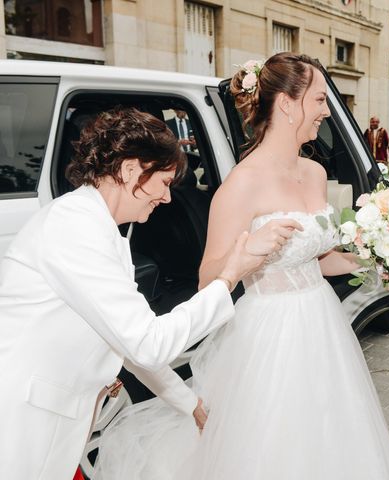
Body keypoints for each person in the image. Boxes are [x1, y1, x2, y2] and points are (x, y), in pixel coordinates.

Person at [94, 53, 389, 480]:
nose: (325, 110)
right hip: (269, 334)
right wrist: (251, 253)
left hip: (322, 324)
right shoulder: (241, 183)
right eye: (319, 99)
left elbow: (321, 259)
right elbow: (208, 278)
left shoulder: (315, 173)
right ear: (287, 104)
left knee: (331, 434)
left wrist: (376, 261)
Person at [0, 107, 290, 480]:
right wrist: (229, 275)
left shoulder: (101, 229)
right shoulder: (74, 228)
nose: (168, 198)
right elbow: (148, 344)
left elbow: (129, 341)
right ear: (131, 169)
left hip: (51, 416)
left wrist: (190, 403)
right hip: (23, 420)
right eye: (165, 182)